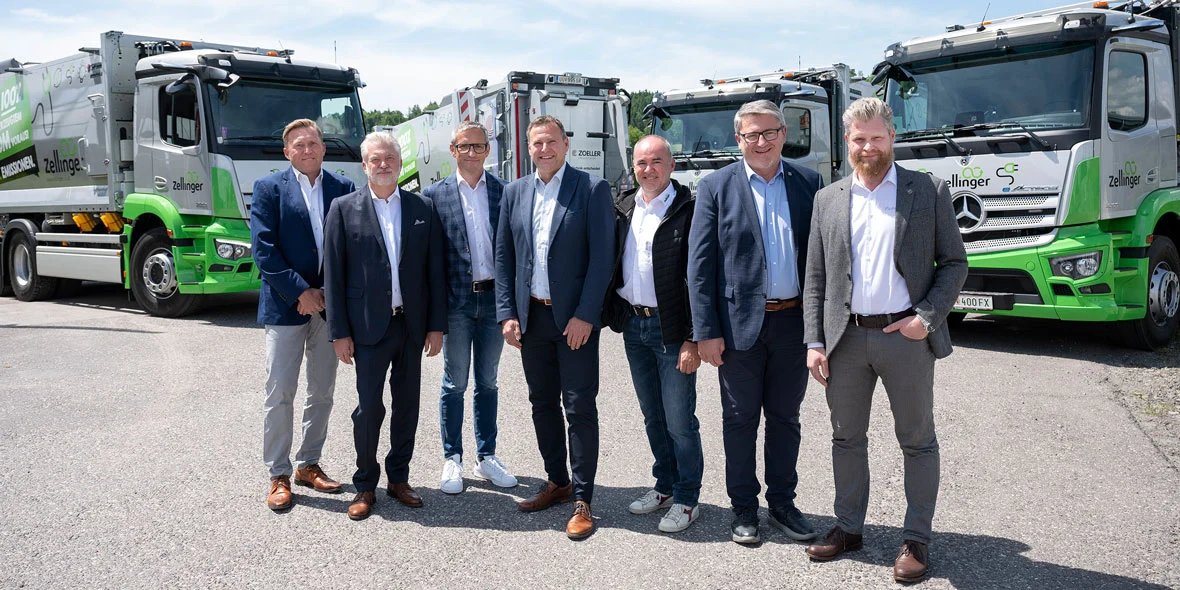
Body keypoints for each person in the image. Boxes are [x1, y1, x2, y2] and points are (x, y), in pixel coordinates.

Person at [802, 97, 967, 583]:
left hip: (905, 337)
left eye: (876, 137)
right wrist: (815, 341)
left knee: (917, 441)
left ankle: (916, 539)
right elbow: (816, 276)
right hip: (846, 341)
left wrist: (927, 318)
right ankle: (849, 529)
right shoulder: (827, 199)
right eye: (858, 139)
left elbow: (954, 263)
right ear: (847, 143)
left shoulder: (927, 190)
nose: (868, 147)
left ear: (892, 138)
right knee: (845, 438)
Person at [687, 100, 822, 544]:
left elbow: (820, 262)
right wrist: (705, 332)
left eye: (769, 133)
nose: (760, 142)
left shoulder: (809, 182)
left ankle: (782, 504)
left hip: (792, 325)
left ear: (784, 134)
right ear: (738, 138)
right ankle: (743, 507)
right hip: (737, 326)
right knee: (740, 419)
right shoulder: (715, 186)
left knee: (786, 418)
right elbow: (700, 266)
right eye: (751, 135)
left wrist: (819, 331)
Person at [495, 115, 614, 539]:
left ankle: (583, 498)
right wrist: (507, 312)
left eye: (550, 142)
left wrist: (586, 315)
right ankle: (557, 482)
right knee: (541, 401)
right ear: (528, 148)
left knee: (579, 405)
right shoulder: (515, 192)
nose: (543, 150)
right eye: (536, 144)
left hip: (575, 319)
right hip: (532, 317)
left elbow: (603, 258)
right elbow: (505, 257)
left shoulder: (592, 188)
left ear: (565, 144)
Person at [322, 130, 446, 521]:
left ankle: (399, 478)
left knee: (407, 406)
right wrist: (339, 332)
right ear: (364, 165)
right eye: (375, 159)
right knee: (369, 409)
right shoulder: (343, 208)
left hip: (410, 326)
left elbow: (434, 273)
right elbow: (333, 277)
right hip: (367, 329)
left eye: (389, 157)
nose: (383, 164)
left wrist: (436, 326)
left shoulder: (422, 207)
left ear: (399, 162)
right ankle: (364, 484)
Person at [250, 119, 356, 511]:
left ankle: (308, 463)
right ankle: (277, 473)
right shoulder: (268, 189)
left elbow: (351, 246)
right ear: (287, 152)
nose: (307, 150)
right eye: (299, 145)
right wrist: (301, 291)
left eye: (313, 143)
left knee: (323, 390)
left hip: (330, 307)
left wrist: (327, 292)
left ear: (323, 149)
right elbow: (264, 251)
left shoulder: (343, 188)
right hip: (285, 306)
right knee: (279, 391)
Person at [603, 135, 704, 533]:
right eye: (641, 162)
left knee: (680, 419)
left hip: (673, 329)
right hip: (634, 324)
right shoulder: (625, 207)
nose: (648, 169)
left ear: (672, 165)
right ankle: (664, 485)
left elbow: (700, 278)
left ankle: (687, 497)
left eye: (656, 161)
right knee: (652, 416)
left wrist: (693, 338)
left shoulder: (689, 210)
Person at [423, 121, 517, 494]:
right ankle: (452, 458)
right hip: (456, 304)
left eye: (478, 147)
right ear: (453, 150)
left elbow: (512, 250)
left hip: (494, 302)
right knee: (454, 382)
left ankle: (486, 456)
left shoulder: (503, 192)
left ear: (488, 150)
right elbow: (430, 260)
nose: (472, 153)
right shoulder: (434, 195)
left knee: (488, 382)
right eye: (465, 147)